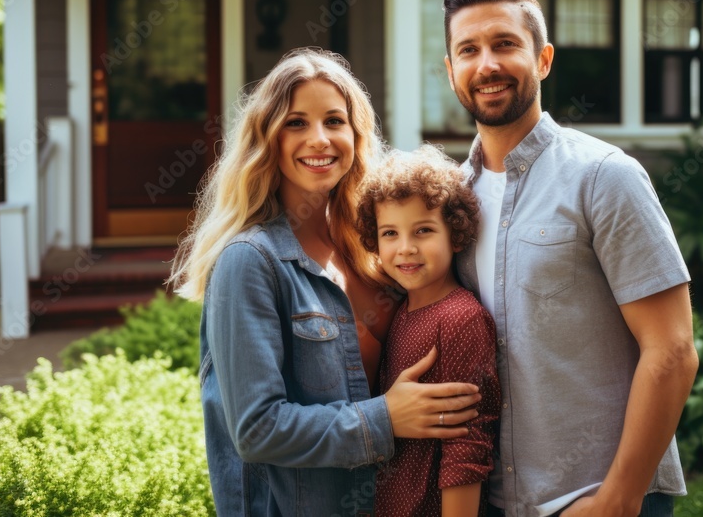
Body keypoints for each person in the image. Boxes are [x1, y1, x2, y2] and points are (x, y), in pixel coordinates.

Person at [170, 48, 483, 516]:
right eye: (296, 123)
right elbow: (257, 429)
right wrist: (385, 418)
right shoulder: (250, 262)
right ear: (267, 138)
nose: (319, 139)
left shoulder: (377, 249)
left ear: (355, 135)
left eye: (334, 121)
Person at [440, 0, 699, 517]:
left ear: (543, 59)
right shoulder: (449, 201)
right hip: (492, 497)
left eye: (505, 44)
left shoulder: (604, 177)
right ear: (451, 71)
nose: (486, 64)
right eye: (468, 50)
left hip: (595, 495)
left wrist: (618, 501)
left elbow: (672, 351)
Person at [355, 145, 501, 517]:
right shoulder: (401, 312)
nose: (406, 248)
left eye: (423, 230)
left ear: (454, 235)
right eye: (390, 233)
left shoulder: (460, 318)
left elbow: (467, 445)